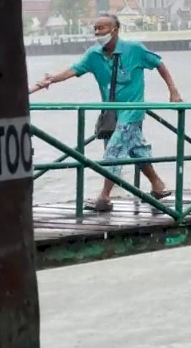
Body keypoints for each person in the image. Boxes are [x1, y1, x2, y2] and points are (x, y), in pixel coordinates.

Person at [31, 13, 182, 213]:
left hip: (132, 110)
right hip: (111, 112)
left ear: (115, 29)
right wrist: (51, 79)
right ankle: (158, 186)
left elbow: (159, 64)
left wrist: (173, 90)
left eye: (102, 28)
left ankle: (104, 197)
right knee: (137, 150)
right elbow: (73, 70)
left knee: (114, 150)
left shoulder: (134, 49)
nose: (98, 32)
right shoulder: (94, 55)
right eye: (95, 28)